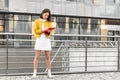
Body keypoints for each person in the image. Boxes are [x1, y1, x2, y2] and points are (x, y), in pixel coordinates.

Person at [33, 8, 54, 78]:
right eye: (45, 15)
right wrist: (42, 30)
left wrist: (48, 31)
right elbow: (35, 30)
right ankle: (34, 73)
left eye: (47, 16)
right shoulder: (37, 21)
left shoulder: (49, 22)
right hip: (39, 39)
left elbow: (50, 32)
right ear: (42, 14)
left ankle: (49, 73)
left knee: (48, 57)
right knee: (37, 57)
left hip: (46, 40)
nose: (46, 16)